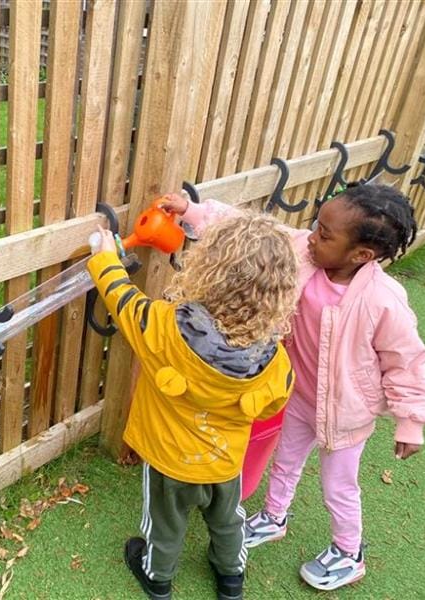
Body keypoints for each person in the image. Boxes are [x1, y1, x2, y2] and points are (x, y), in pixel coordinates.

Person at [161, 183, 425, 592]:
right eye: (316, 226)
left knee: (338, 486)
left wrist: (411, 421)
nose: (312, 236)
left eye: (325, 234)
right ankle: (274, 517)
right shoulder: (304, 254)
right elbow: (250, 230)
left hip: (346, 413)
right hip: (299, 396)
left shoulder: (384, 300)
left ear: (361, 255)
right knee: (285, 461)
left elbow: (406, 361)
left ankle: (349, 552)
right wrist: (192, 211)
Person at [88, 212, 300, 600]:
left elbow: (123, 300)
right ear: (278, 293)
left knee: (165, 525)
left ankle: (157, 577)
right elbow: (273, 407)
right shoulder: (275, 361)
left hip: (169, 462)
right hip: (224, 463)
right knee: (227, 521)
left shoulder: (165, 327)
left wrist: (104, 258)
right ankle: (231, 577)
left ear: (208, 269)